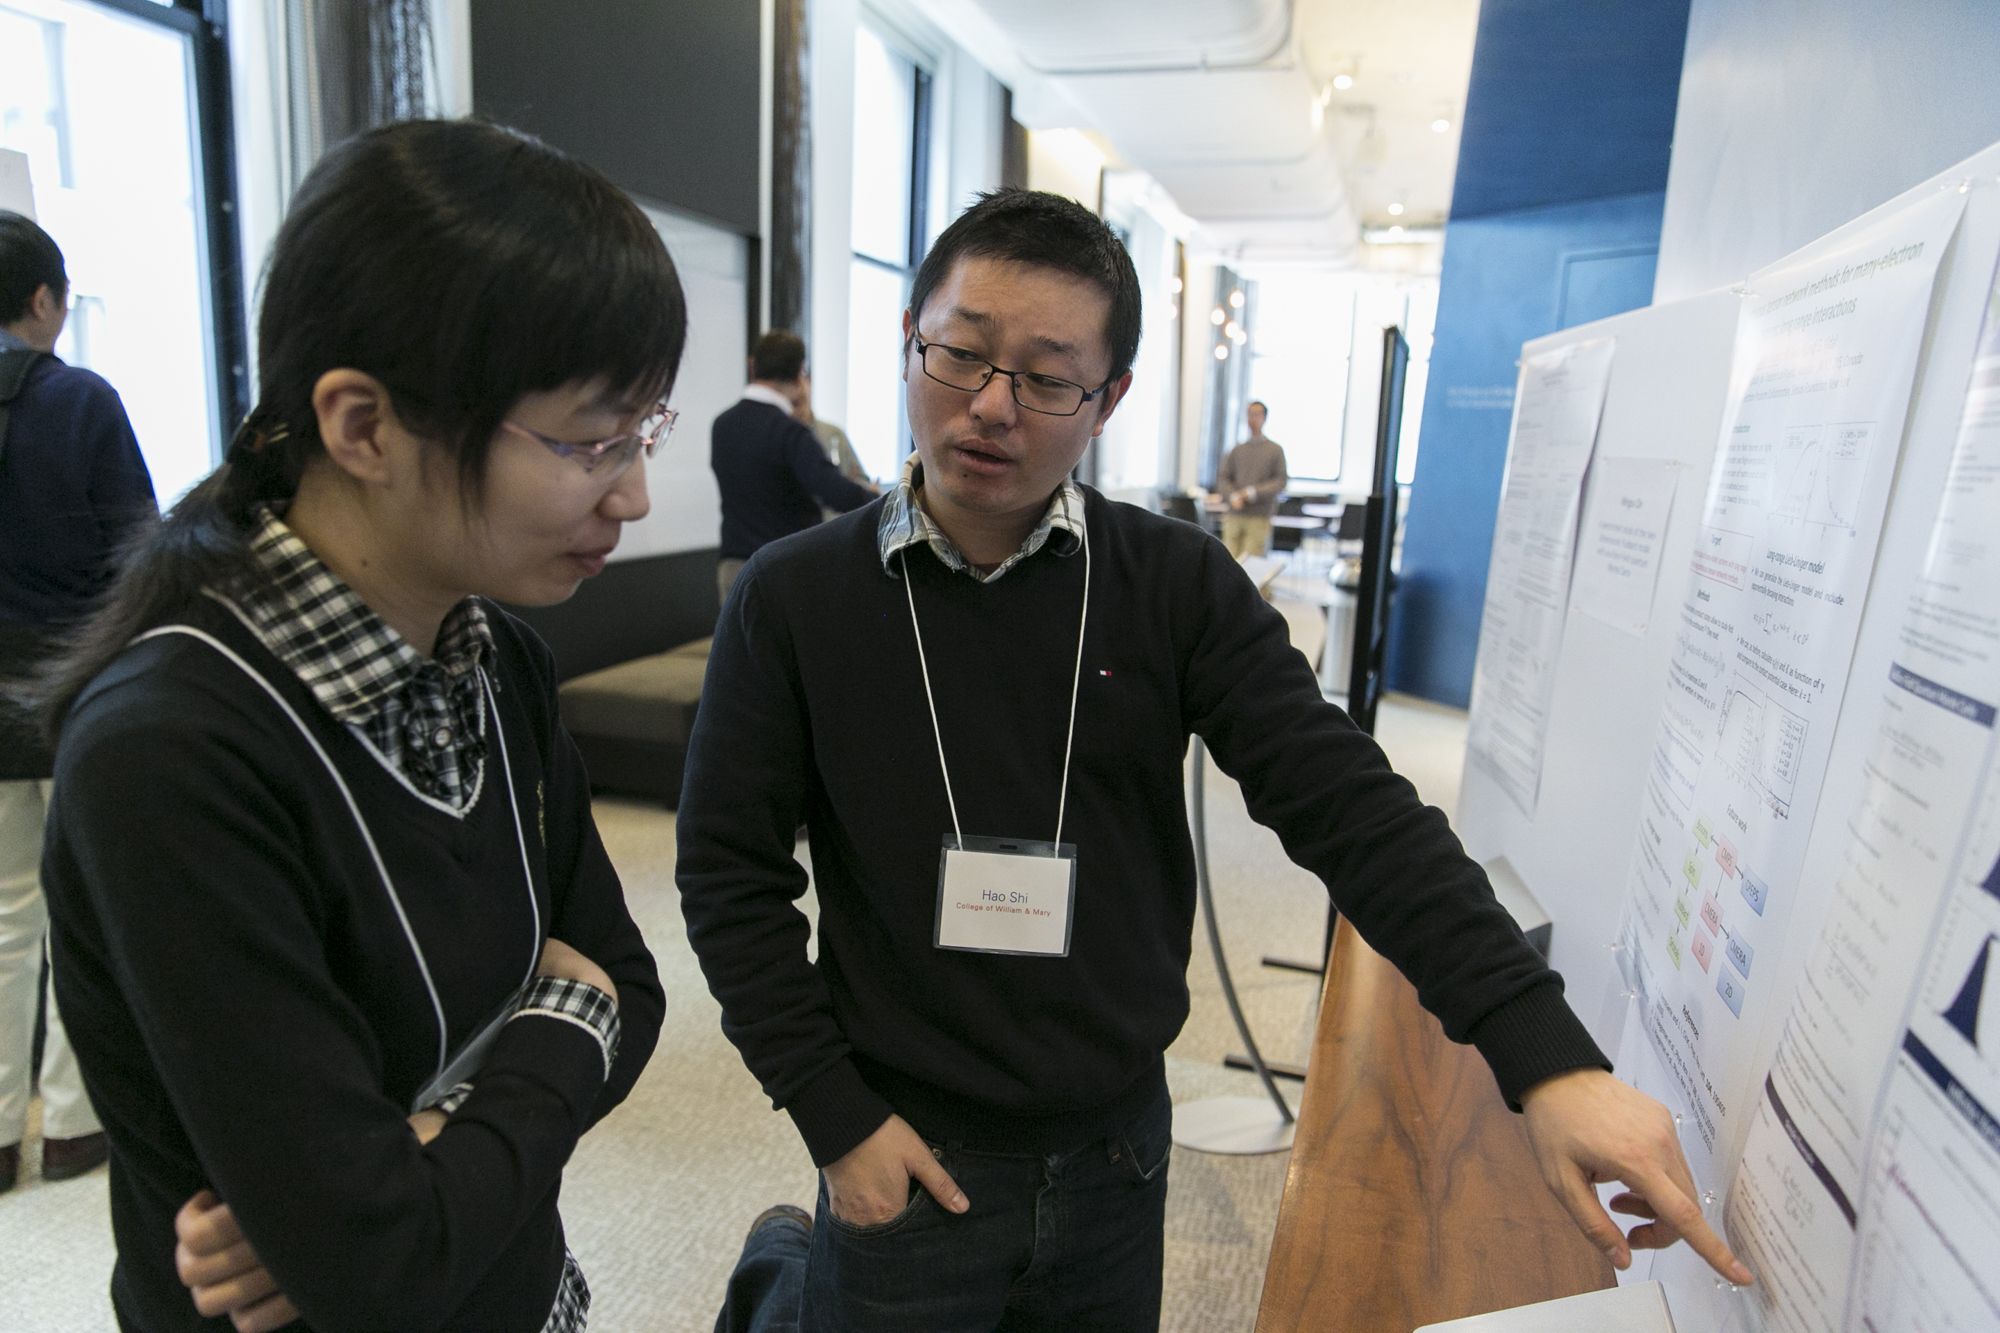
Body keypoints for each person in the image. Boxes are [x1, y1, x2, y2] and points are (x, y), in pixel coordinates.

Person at [676, 188, 1753, 1332]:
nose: (991, 406)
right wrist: (831, 1115)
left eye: (1047, 378)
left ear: (1108, 399)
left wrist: (1545, 1055)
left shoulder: (1173, 585)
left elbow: (1350, 809)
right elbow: (727, 873)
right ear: (909, 342)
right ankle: (783, 1269)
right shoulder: (795, 597)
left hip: (1117, 1156)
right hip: (900, 1144)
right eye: (959, 355)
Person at [24, 121, 676, 1332]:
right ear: (363, 425)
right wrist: (553, 1031)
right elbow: (376, 1264)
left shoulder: (500, 663)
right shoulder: (171, 753)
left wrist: (428, 1154)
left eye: (643, 432)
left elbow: (629, 981)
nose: (631, 492)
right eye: (590, 440)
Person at [0, 210, 155, 1194]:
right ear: (46, 299)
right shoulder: (82, 400)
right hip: (66, 691)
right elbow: (141, 551)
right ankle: (69, 1125)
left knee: (2, 914)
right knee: (77, 908)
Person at [712, 332, 877, 602]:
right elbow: (833, 491)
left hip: (733, 569)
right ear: (800, 374)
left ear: (752, 367)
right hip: (777, 571)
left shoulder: (722, 425)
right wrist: (878, 501)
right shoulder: (789, 433)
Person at [1213, 399, 1287, 559]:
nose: (1252, 419)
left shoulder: (1274, 450)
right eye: (1249, 415)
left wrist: (1253, 493)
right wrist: (1233, 496)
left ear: (1264, 418)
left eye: (1256, 415)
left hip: (1259, 516)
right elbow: (1223, 478)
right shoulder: (1237, 450)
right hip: (1234, 514)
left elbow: (1280, 481)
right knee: (1229, 560)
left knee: (1250, 562)